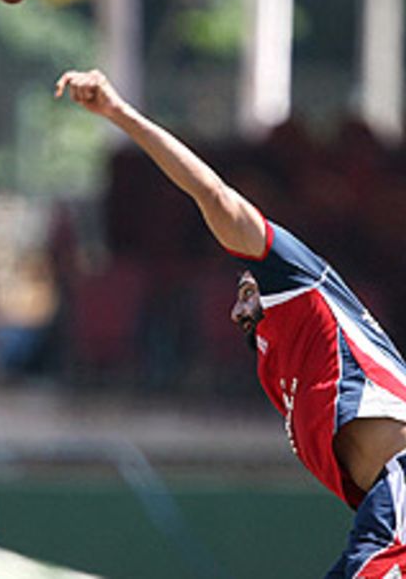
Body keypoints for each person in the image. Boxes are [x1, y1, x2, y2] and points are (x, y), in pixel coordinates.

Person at [58, 69, 406, 578]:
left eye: (245, 290)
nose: (236, 309)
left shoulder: (299, 279)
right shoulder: (278, 367)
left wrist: (118, 114)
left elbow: (213, 194)